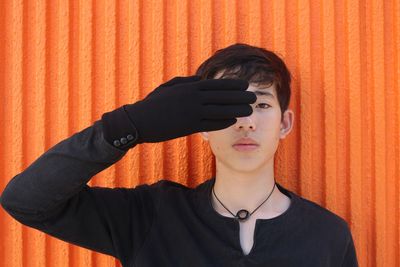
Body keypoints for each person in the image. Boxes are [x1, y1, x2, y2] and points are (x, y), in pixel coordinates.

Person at [0, 43, 358, 266]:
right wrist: (128, 124)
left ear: (285, 123)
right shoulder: (150, 217)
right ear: (200, 124)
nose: (246, 122)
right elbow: (27, 201)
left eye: (261, 103)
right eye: (228, 106)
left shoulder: (328, 236)